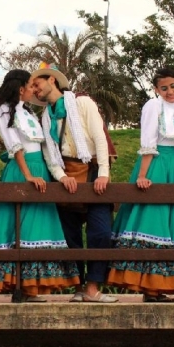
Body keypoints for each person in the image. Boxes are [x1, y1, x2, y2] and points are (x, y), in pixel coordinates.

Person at [0, 69, 79, 303]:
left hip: (40, 170)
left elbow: (46, 147)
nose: (34, 90)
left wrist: (60, 174)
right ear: (20, 87)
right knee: (9, 225)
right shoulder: (4, 110)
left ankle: (28, 288)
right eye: (31, 86)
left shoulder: (29, 112)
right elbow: (14, 145)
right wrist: (27, 175)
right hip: (21, 171)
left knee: (35, 230)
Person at [108, 68, 174, 301]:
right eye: (163, 88)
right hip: (155, 164)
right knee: (153, 222)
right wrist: (142, 176)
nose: (169, 92)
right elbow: (148, 141)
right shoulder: (152, 106)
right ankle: (150, 288)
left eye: (173, 86)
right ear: (157, 90)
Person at [31, 64, 117, 303]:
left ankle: (93, 287)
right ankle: (79, 287)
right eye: (32, 88)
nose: (35, 90)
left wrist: (103, 172)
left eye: (37, 84)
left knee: (101, 232)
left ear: (51, 80)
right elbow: (49, 153)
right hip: (65, 174)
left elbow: (99, 136)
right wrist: (61, 176)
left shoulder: (82, 103)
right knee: (70, 235)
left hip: (90, 169)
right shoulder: (46, 116)